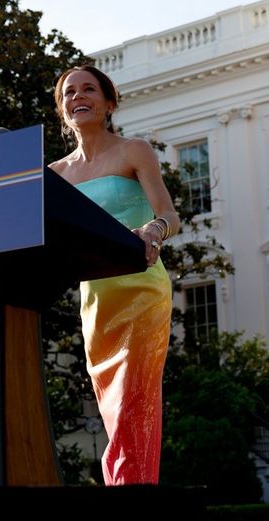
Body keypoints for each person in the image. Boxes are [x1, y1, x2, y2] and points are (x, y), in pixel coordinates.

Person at [49, 65, 177, 486]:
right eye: (70, 92)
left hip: (142, 291)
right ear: (62, 108)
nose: (78, 96)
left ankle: (128, 501)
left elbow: (168, 214)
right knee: (112, 408)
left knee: (132, 405)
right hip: (95, 302)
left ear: (108, 103)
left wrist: (154, 230)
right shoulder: (55, 176)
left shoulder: (134, 151)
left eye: (89, 89)